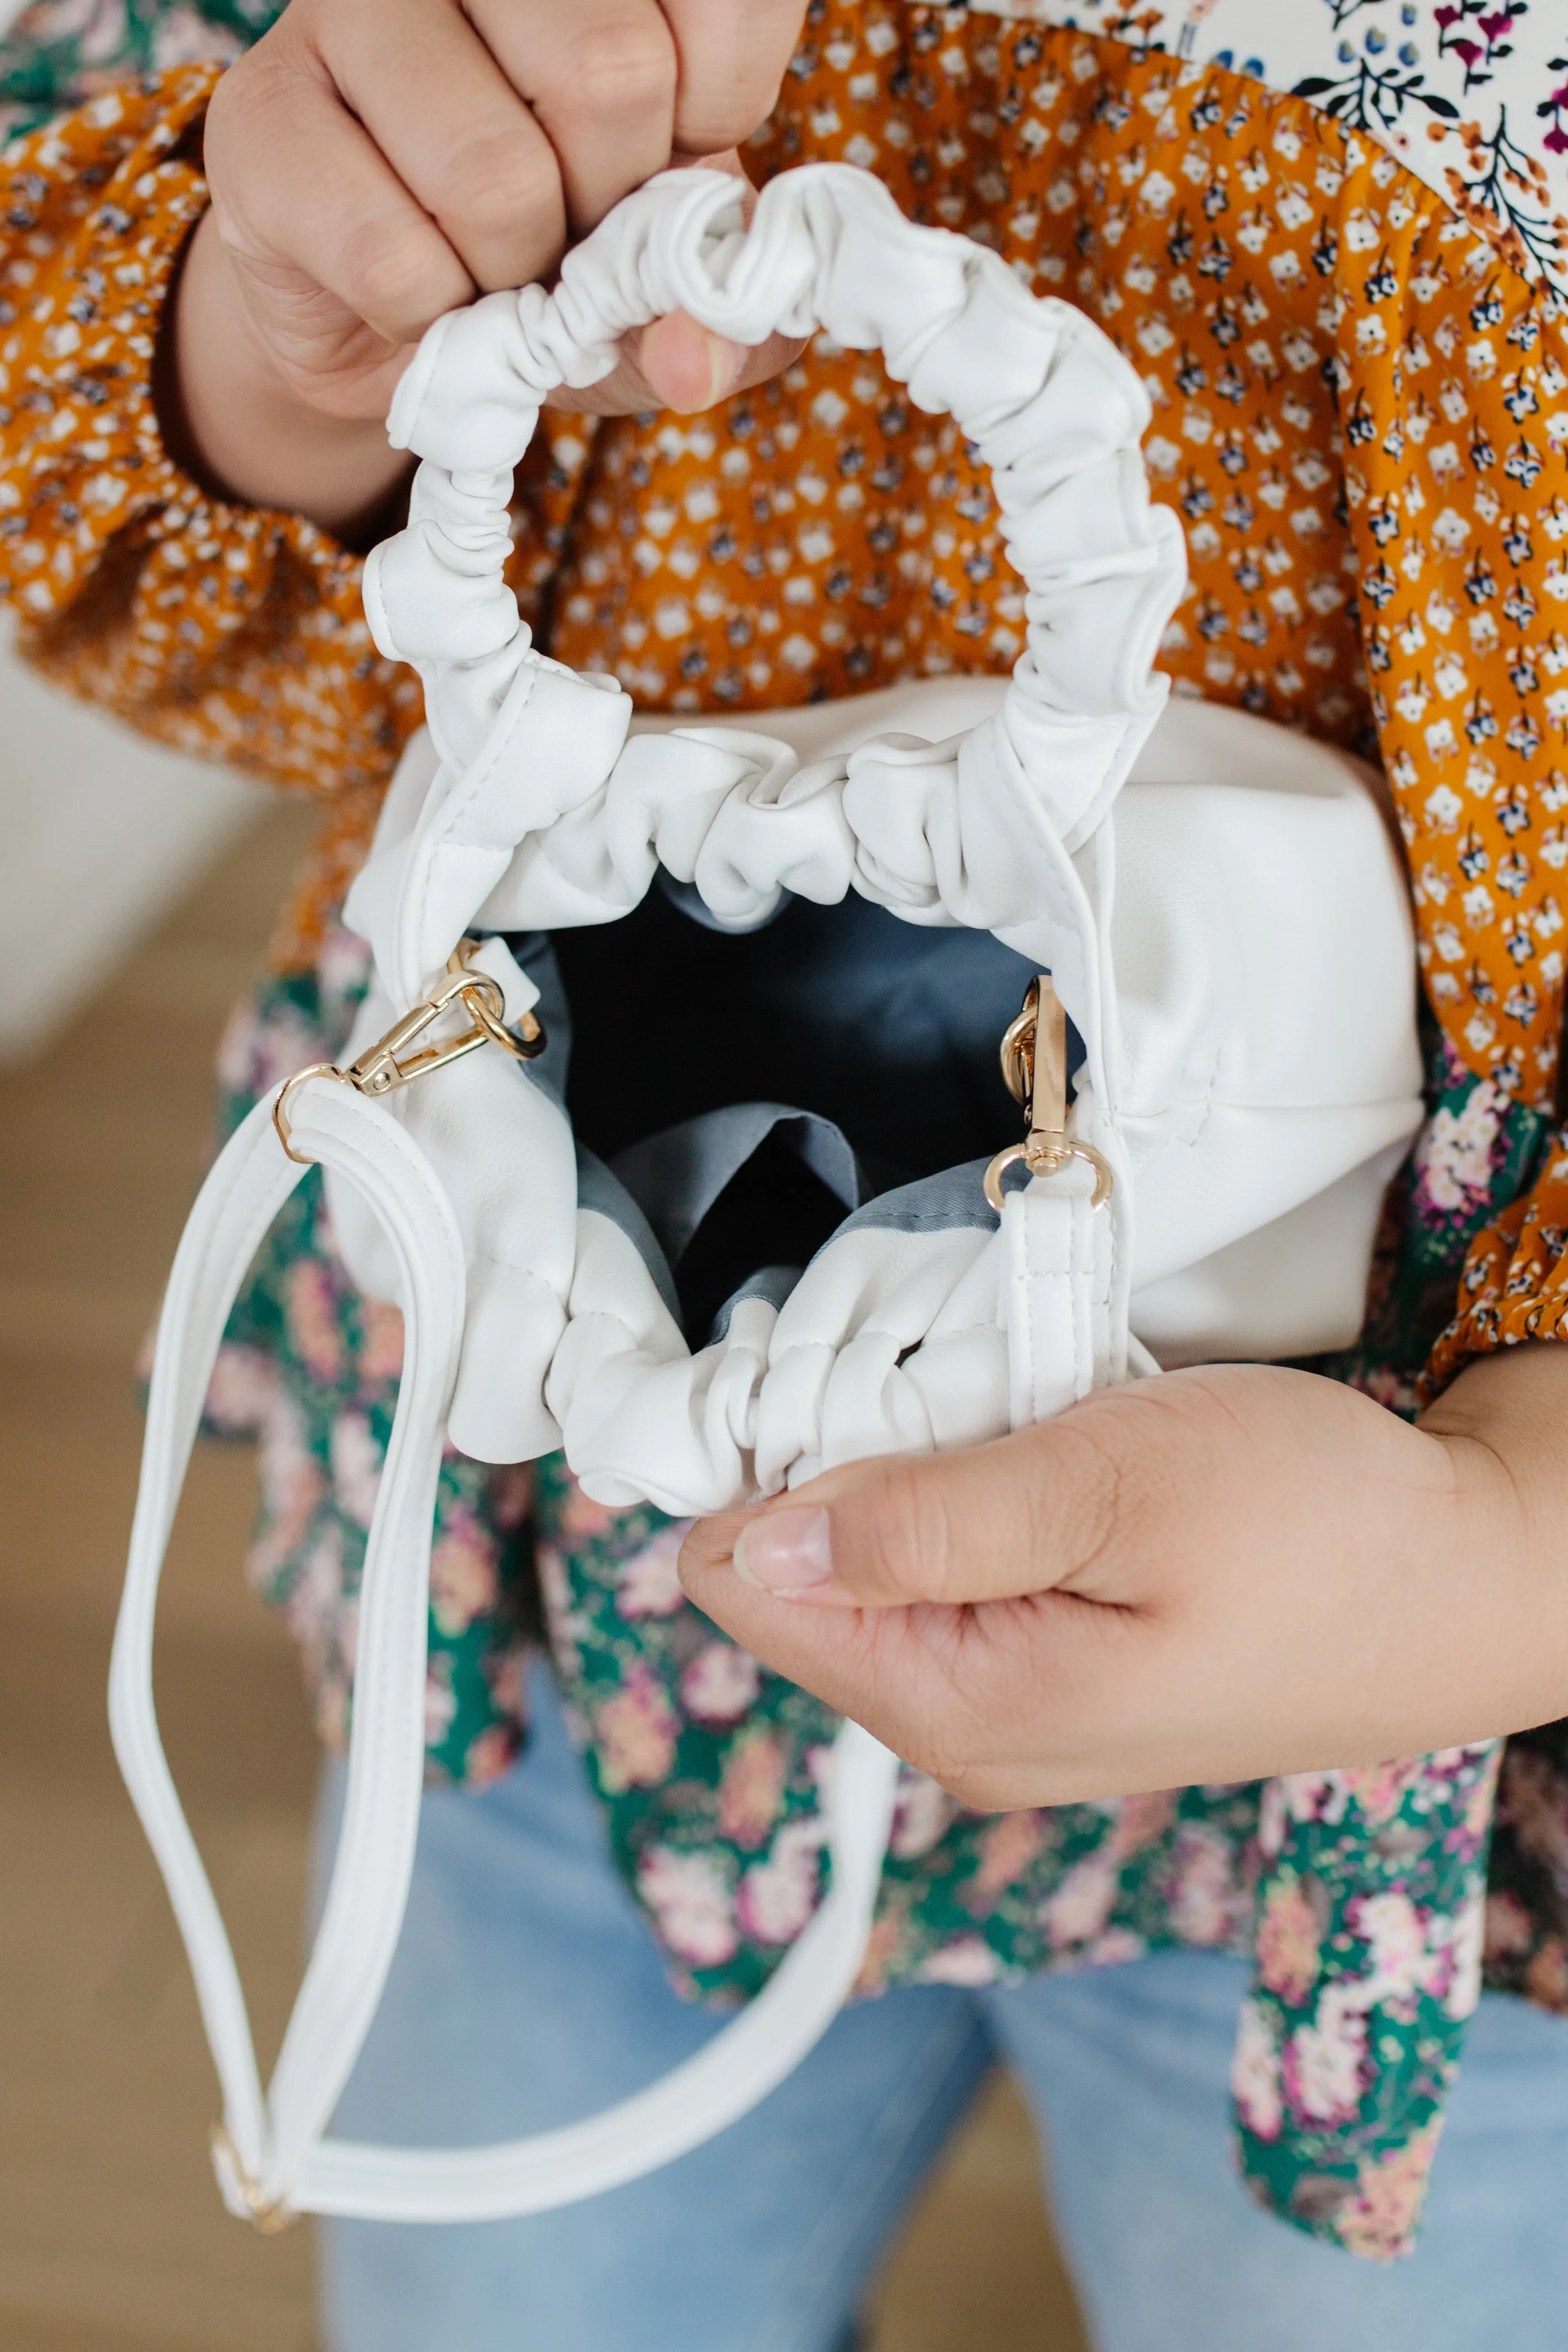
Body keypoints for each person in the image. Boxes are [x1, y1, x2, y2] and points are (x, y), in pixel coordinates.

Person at [5, 1, 1568, 2345]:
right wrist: (286, 325)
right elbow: (107, 344)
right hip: (581, 1651)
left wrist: (1519, 1542)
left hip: (1396, 1790)